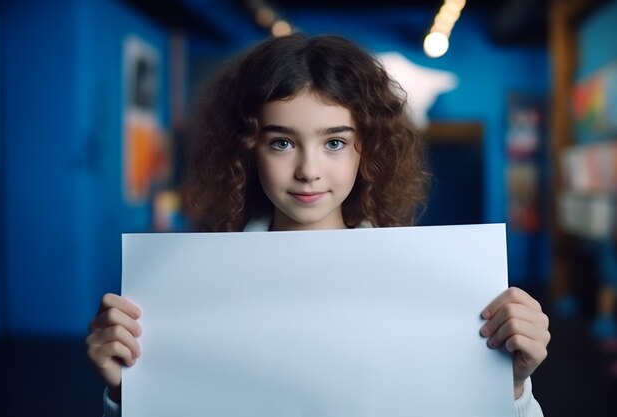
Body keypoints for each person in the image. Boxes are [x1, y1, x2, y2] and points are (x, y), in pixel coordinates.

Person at [86, 33, 550, 417]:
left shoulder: (431, 288)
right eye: (283, 143)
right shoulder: (184, 292)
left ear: (364, 149)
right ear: (248, 149)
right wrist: (127, 393)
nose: (308, 169)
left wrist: (508, 388)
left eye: (334, 142)